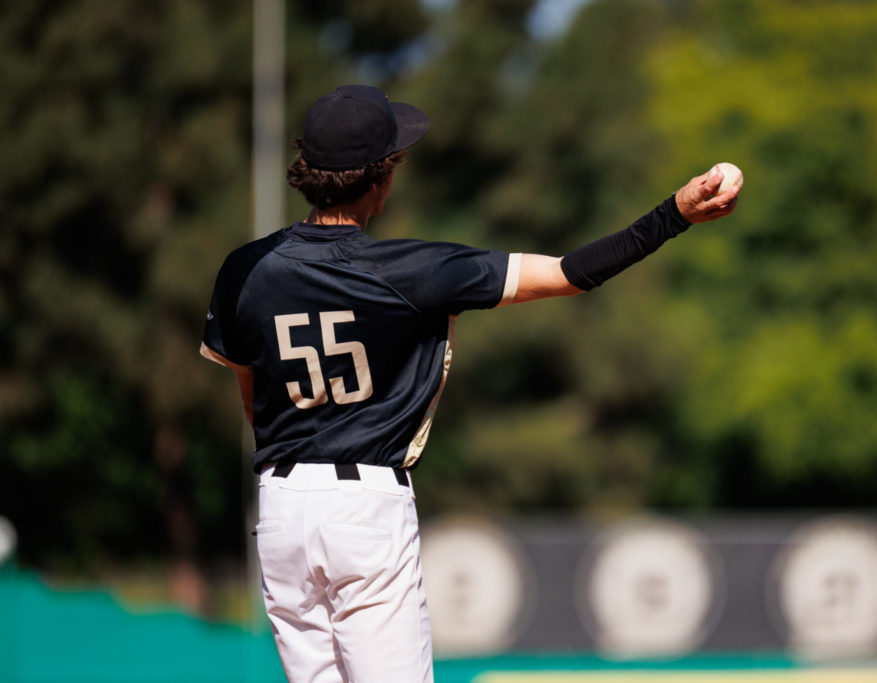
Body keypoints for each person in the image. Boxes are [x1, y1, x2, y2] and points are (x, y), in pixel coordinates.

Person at [200, 84, 739, 683]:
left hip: (280, 509)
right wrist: (676, 215)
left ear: (307, 171)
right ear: (382, 179)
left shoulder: (245, 269)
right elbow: (570, 273)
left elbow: (253, 402)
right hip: (364, 508)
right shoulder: (415, 270)